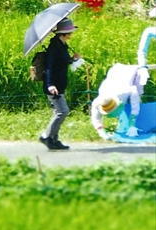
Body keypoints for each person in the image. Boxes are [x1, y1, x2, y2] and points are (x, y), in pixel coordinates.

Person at [39, 17, 83, 151]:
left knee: (59, 111)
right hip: (54, 86)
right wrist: (50, 84)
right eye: (70, 32)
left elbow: (62, 63)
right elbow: (49, 67)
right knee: (63, 111)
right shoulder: (54, 47)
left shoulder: (62, 45)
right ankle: (47, 136)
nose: (71, 34)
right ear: (64, 33)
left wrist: (72, 59)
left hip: (59, 83)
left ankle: (54, 140)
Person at [90, 63, 145, 140]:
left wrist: (132, 122)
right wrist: (102, 133)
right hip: (114, 75)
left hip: (130, 74)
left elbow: (134, 90)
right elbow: (95, 118)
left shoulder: (123, 92)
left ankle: (137, 123)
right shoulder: (98, 102)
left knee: (138, 96)